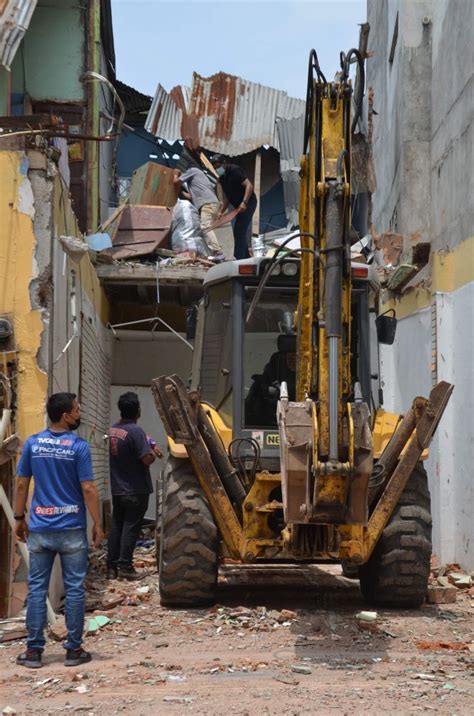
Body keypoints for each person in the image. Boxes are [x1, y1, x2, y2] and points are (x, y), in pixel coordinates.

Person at [14, 392, 103, 669]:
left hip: (40, 528)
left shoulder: (32, 444)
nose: (79, 414)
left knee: (37, 588)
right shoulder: (78, 447)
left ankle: (34, 652)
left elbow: (21, 484)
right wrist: (98, 523)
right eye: (76, 410)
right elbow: (88, 488)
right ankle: (74, 651)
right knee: (75, 589)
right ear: (65, 415)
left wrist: (19, 517)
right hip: (72, 529)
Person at [107, 392, 162, 581]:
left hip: (118, 488)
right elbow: (145, 459)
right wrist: (152, 454)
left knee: (117, 526)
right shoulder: (136, 431)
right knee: (131, 527)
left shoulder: (114, 430)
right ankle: (125, 566)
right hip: (136, 489)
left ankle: (111, 567)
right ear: (138, 410)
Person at [211, 154, 257, 260]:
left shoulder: (234, 170)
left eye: (219, 166)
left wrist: (244, 202)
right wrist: (221, 211)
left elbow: (249, 185)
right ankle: (245, 257)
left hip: (248, 203)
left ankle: (239, 257)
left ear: (224, 163)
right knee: (239, 230)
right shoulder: (222, 179)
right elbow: (229, 197)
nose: (218, 169)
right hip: (237, 206)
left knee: (239, 230)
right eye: (215, 168)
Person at [173, 167, 225, 261]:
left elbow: (176, 181)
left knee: (205, 227)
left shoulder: (192, 170)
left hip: (207, 203)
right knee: (205, 229)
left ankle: (218, 253)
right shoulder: (198, 180)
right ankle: (214, 253)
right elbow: (190, 197)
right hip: (211, 203)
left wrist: (176, 174)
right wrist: (181, 192)